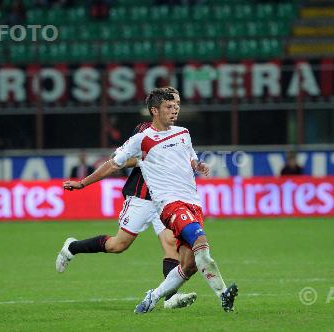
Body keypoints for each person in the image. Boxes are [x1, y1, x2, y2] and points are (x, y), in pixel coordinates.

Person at [62, 88, 238, 313]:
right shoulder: (142, 139)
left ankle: (155, 297)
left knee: (189, 264)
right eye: (169, 107)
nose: (174, 110)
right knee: (195, 241)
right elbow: (113, 163)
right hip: (166, 204)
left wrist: (197, 165)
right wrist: (83, 183)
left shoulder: (183, 132)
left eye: (176, 106)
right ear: (154, 111)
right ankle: (223, 296)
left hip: (192, 203)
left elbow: (190, 156)